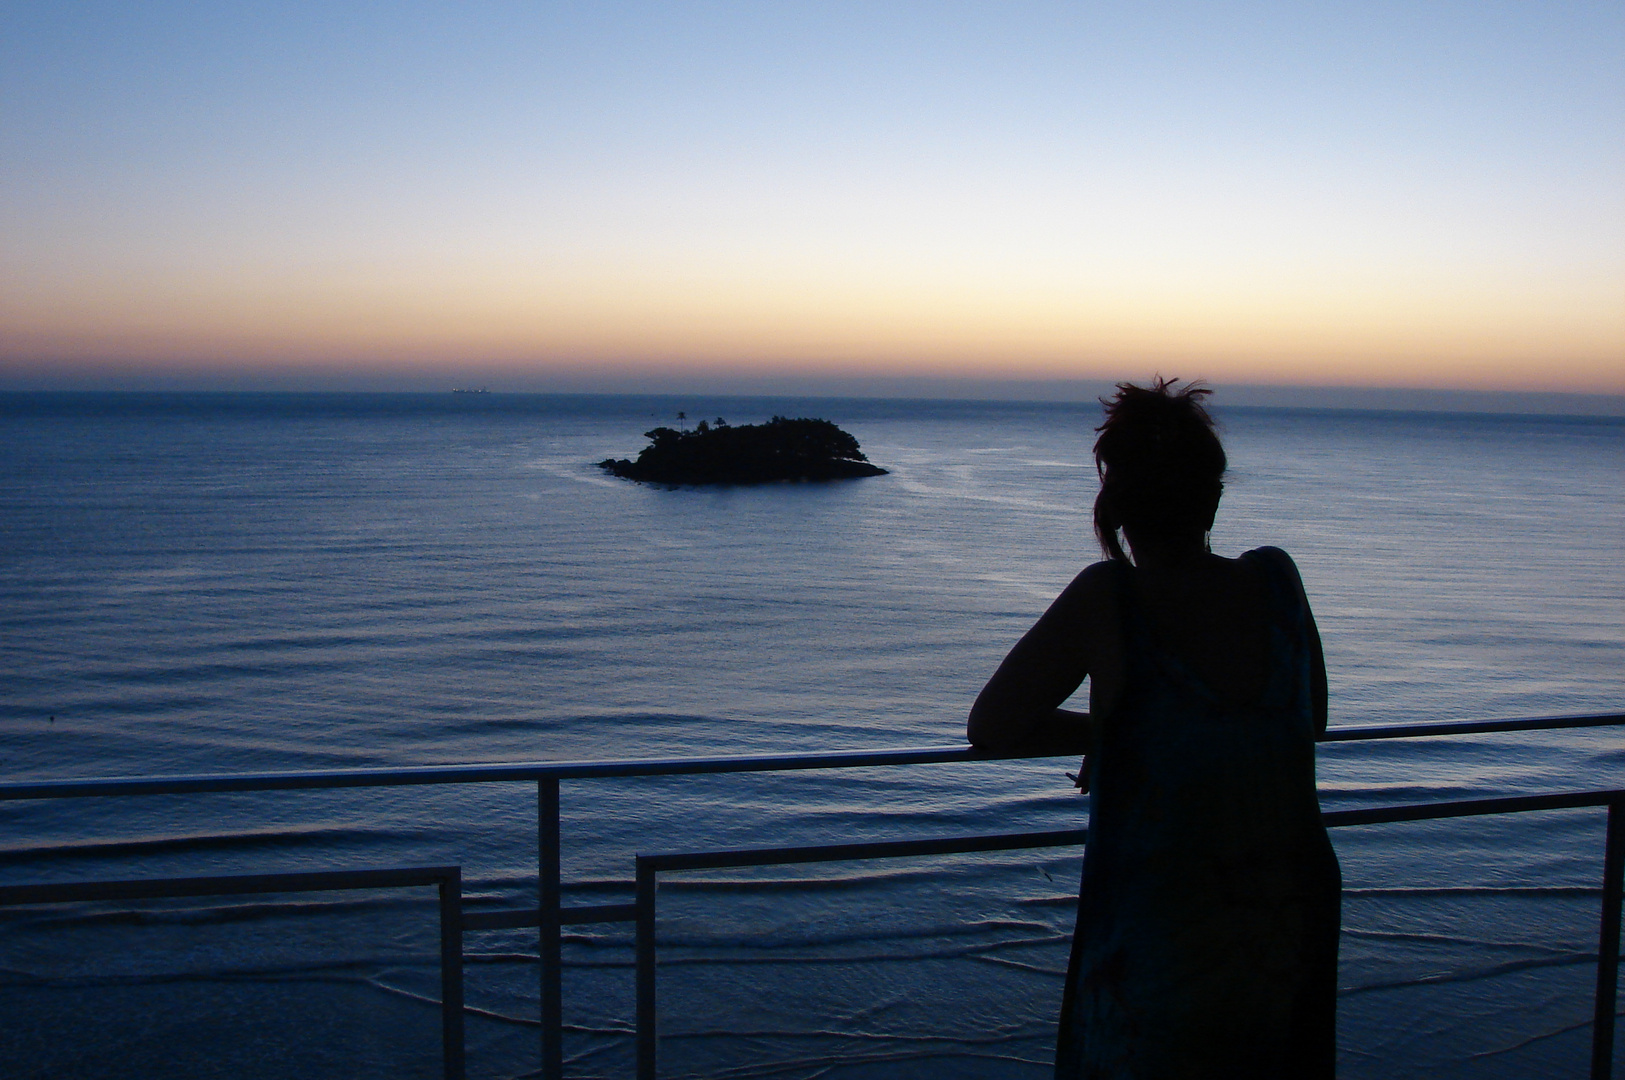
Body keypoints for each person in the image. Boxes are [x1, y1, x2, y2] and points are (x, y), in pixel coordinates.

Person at [967, 379, 1340, 1079]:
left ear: (1114, 503)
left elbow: (991, 724)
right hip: (1286, 921)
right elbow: (1305, 717)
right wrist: (1138, 726)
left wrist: (1112, 728)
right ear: (1213, 494)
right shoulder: (1275, 580)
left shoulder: (1108, 597)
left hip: (1167, 935)